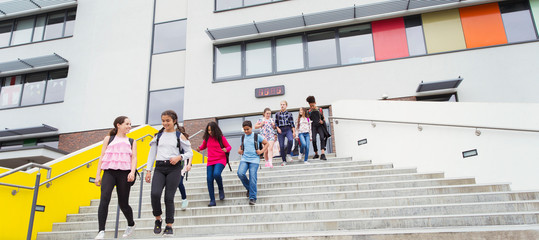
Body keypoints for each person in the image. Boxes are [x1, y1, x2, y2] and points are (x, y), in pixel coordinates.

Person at [145, 110, 193, 236]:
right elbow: (151, 154)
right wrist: (148, 170)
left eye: (168, 120)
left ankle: (169, 225)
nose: (165, 123)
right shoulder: (158, 136)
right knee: (155, 194)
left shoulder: (179, 136)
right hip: (160, 168)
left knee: (168, 197)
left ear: (174, 121)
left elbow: (190, 152)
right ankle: (158, 219)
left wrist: (179, 157)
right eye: (163, 120)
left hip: (174, 168)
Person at [94, 116, 137, 239]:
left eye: (130, 124)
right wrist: (98, 175)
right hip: (109, 172)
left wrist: (132, 172)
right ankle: (101, 231)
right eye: (127, 124)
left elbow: (134, 158)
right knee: (104, 198)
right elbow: (101, 157)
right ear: (118, 125)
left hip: (124, 173)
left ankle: (131, 224)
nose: (129, 126)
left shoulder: (132, 141)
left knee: (123, 203)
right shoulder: (109, 139)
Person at [197, 122, 231, 207]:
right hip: (211, 161)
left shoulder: (221, 138)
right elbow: (203, 146)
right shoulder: (207, 138)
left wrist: (226, 149)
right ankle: (212, 200)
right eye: (208, 130)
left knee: (216, 174)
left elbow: (229, 146)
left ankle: (220, 189)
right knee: (209, 179)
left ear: (215, 129)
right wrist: (199, 148)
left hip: (221, 159)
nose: (210, 132)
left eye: (211, 130)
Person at [237, 120, 268, 205]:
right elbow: (240, 148)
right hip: (244, 159)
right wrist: (239, 150)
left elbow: (267, 144)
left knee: (253, 177)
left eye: (247, 129)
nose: (246, 131)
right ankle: (250, 188)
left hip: (254, 160)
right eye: (244, 129)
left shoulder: (257, 136)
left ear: (251, 128)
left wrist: (261, 151)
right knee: (240, 173)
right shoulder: (243, 137)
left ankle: (252, 197)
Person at [306, 96, 330, 160]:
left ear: (315, 103)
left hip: (320, 125)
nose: (312, 107)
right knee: (314, 140)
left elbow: (323, 118)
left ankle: (322, 154)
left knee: (322, 138)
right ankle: (316, 153)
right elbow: (308, 120)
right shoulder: (309, 111)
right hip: (313, 126)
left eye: (312, 105)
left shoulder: (320, 110)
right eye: (310, 105)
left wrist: (322, 121)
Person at [274, 100, 296, 166]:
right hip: (281, 130)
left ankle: (288, 154)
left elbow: (292, 124)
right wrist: (277, 128)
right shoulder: (277, 114)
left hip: (288, 128)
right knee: (281, 146)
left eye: (283, 104)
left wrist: (294, 132)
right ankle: (284, 160)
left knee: (290, 140)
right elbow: (275, 123)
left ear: (286, 105)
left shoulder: (289, 114)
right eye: (281, 104)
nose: (282, 106)